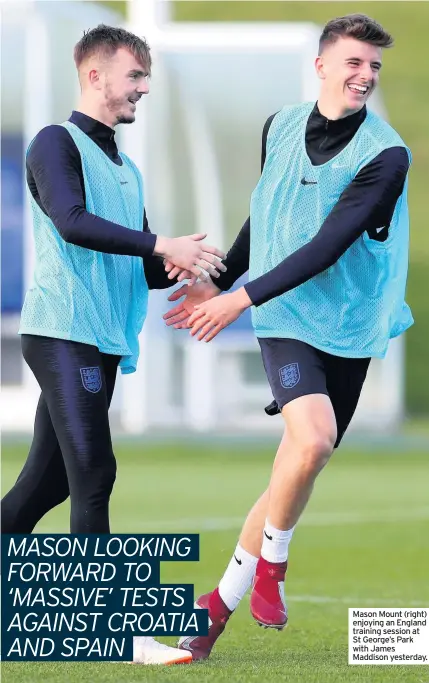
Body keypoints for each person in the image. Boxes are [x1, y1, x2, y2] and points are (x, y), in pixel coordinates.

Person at [164, 14, 413, 660]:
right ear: (321, 66)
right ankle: (272, 566)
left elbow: (331, 244)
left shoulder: (386, 155)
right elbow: (267, 215)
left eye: (374, 68)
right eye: (354, 63)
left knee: (298, 460)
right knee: (315, 436)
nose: (365, 76)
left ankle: (212, 610)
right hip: (285, 316)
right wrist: (218, 279)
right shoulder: (278, 125)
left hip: (351, 324)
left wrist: (233, 297)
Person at [1, 24, 225, 665]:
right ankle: (106, 633)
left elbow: (147, 267)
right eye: (134, 76)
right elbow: (71, 223)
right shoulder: (54, 143)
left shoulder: (126, 169)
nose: (144, 88)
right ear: (95, 77)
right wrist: (162, 246)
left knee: (43, 489)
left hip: (99, 341)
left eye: (146, 78)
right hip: (61, 332)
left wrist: (196, 268)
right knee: (95, 472)